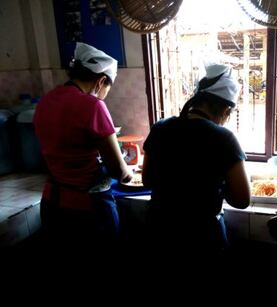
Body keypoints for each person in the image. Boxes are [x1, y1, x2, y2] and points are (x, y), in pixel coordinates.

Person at [142, 63, 250, 257]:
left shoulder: (160, 128)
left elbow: (147, 180)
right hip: (203, 238)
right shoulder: (224, 138)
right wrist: (215, 184)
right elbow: (242, 200)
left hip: (159, 233)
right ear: (226, 110)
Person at [34, 42, 133, 251]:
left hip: (52, 204)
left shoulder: (46, 101)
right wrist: (128, 173)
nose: (104, 94)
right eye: (107, 89)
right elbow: (117, 170)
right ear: (101, 81)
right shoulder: (93, 105)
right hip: (87, 210)